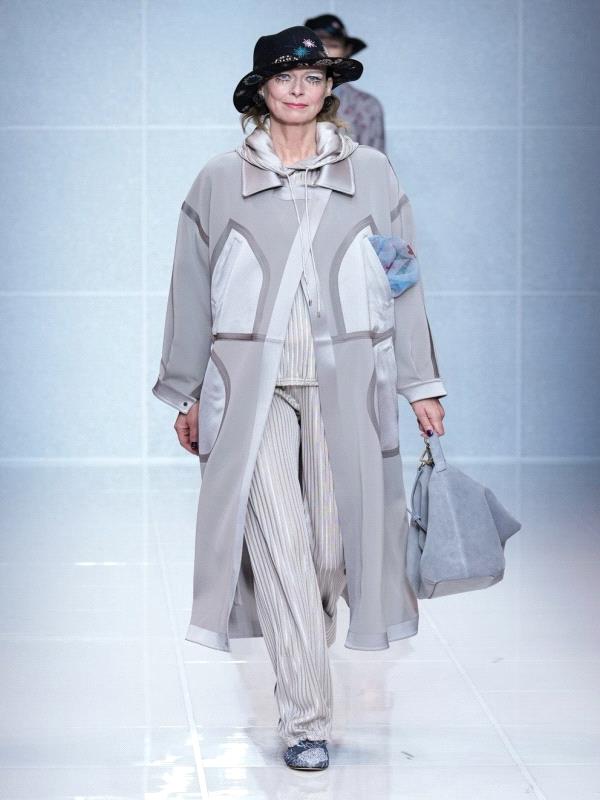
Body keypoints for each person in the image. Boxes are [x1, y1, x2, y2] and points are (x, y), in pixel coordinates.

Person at [152, 25, 447, 771]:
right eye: (283, 78)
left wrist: (421, 383)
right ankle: (305, 718)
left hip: (348, 383)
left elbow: (403, 280)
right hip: (248, 392)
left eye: (312, 78)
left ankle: (302, 664)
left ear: (328, 90)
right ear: (260, 90)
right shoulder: (219, 178)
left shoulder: (371, 172)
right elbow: (190, 288)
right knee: (280, 546)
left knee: (327, 555)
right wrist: (186, 391)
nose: (297, 89)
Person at [305, 13, 386, 152]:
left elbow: (375, 159)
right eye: (318, 45)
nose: (325, 52)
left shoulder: (366, 106)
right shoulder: (284, 97)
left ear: (347, 50)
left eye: (333, 45)